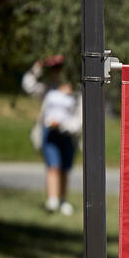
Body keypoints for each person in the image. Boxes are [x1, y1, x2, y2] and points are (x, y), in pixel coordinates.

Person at [38, 73, 81, 215]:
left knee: (64, 169)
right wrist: (39, 68)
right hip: (50, 134)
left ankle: (62, 199)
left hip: (67, 136)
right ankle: (52, 200)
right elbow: (29, 84)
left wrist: (61, 125)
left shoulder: (76, 96)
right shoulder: (50, 91)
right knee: (53, 166)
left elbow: (78, 122)